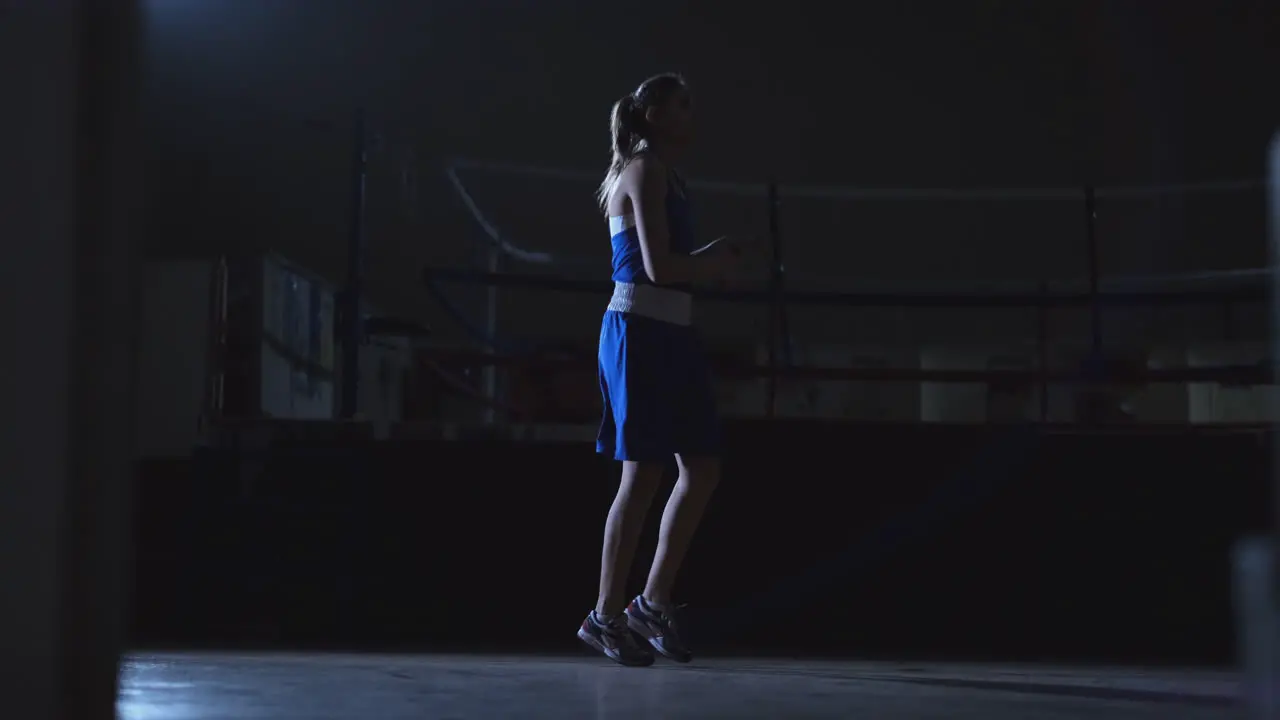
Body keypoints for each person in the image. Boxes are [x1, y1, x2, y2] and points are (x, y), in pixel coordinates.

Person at [576, 73, 752, 667]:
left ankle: (650, 603)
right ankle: (604, 615)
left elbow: (675, 271)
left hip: (671, 332)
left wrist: (708, 265)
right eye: (681, 104)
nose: (690, 114)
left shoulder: (669, 175)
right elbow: (658, 266)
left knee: (700, 468)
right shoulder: (644, 169)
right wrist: (715, 261)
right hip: (639, 331)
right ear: (651, 112)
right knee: (642, 475)